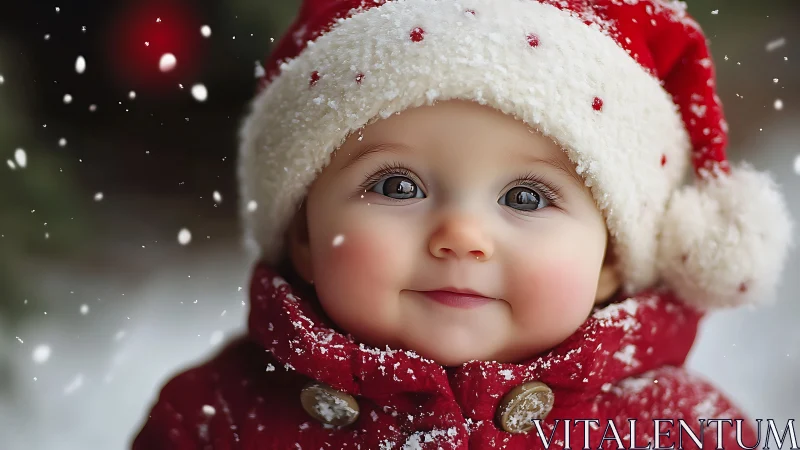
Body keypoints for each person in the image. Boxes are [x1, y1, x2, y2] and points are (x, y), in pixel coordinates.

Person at [132, 0, 793, 448]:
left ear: (612, 259)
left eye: (528, 198)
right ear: (303, 234)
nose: (462, 234)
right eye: (396, 185)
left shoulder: (678, 431)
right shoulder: (219, 420)